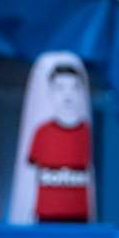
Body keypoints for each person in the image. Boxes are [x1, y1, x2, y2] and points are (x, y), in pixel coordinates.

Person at [30, 65, 91, 223]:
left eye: (74, 88)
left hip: (81, 219)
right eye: (60, 88)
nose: (67, 95)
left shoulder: (88, 132)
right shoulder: (41, 132)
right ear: (50, 93)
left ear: (82, 93)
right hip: (46, 218)